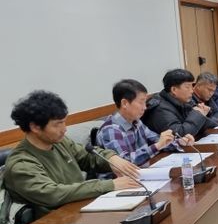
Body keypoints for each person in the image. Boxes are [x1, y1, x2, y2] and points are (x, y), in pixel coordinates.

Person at [3, 91, 139, 213]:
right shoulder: (21, 164)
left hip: (83, 208)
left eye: (64, 122)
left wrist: (112, 158)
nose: (64, 129)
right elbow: (53, 194)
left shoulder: (60, 142)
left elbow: (88, 157)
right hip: (53, 223)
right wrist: (109, 185)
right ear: (35, 127)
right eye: (57, 124)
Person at [97, 79, 194, 166]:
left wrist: (180, 141)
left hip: (141, 171)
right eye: (141, 102)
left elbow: (157, 140)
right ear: (125, 103)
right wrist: (158, 146)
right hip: (120, 178)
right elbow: (125, 163)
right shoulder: (111, 130)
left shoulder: (136, 122)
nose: (145, 107)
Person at [143, 68, 218, 137]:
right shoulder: (160, 109)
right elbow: (179, 135)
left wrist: (202, 114)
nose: (192, 91)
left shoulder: (183, 101)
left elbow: (196, 124)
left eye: (191, 86)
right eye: (187, 87)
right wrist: (198, 114)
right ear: (174, 90)